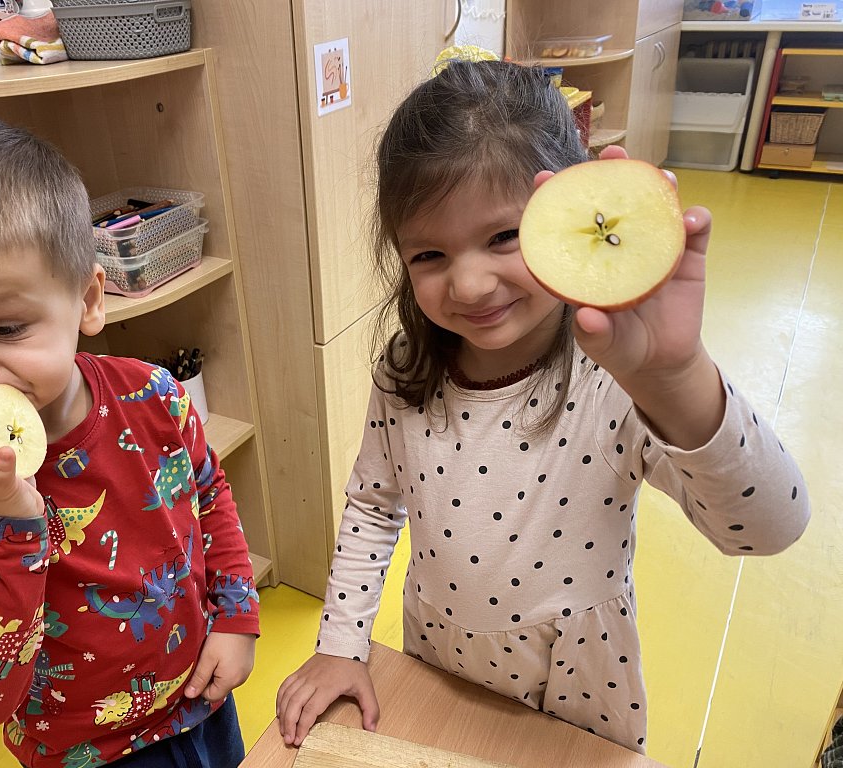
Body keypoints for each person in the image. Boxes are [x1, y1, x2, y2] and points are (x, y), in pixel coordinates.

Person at [276, 54, 810, 754]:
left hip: (578, 686)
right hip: (439, 662)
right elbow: (374, 505)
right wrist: (341, 643)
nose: (469, 284)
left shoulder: (614, 375)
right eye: (429, 255)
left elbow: (768, 528)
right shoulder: (408, 366)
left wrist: (676, 376)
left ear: (571, 220)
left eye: (504, 237)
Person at [0, 114, 260, 768]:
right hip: (80, 755)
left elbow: (210, 500)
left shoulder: (153, 396)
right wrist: (9, 529)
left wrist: (234, 616)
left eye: (5, 327)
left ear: (88, 301)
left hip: (200, 700)